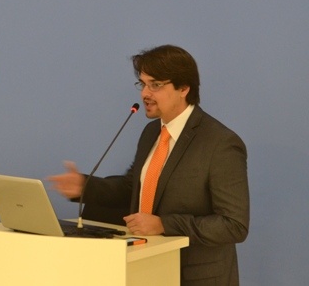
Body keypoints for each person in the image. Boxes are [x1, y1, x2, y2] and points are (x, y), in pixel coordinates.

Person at [48, 45, 249, 286]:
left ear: (184, 88)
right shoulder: (151, 132)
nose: (145, 93)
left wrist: (164, 224)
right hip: (146, 271)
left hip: (195, 277)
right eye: (142, 84)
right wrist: (85, 187)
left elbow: (234, 225)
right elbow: (132, 188)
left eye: (155, 85)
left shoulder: (220, 143)